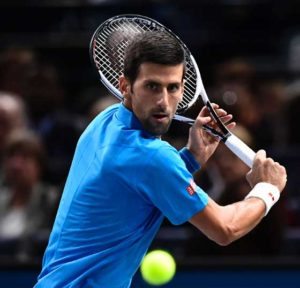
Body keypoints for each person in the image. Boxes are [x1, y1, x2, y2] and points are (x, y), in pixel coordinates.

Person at [35, 32, 287, 287]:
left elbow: (137, 185)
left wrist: (190, 157)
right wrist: (267, 189)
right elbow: (226, 228)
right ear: (125, 86)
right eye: (152, 86)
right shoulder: (152, 157)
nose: (163, 102)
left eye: (173, 88)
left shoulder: (104, 120)